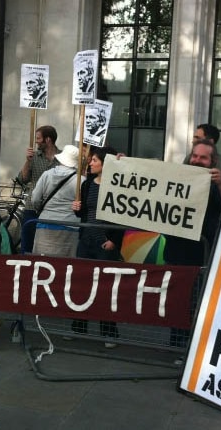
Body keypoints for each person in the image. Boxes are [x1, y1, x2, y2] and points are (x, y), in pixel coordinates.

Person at [164, 139, 221, 349]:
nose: (197, 160)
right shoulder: (177, 177)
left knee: (194, 305)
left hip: (200, 257)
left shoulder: (217, 185)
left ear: (212, 161)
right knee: (175, 302)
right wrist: (124, 164)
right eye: (195, 156)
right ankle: (176, 344)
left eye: (203, 157)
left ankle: (190, 349)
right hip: (174, 253)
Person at [72, 146, 123, 348]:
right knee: (82, 284)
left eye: (94, 160)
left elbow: (121, 214)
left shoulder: (116, 186)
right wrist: (77, 209)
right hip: (86, 241)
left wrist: (115, 240)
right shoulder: (87, 185)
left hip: (105, 243)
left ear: (105, 163)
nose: (90, 163)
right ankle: (79, 327)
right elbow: (84, 212)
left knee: (105, 287)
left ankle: (109, 332)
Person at [30, 145, 82, 257]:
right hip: (70, 224)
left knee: (42, 260)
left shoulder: (46, 175)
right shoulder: (81, 180)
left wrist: (38, 209)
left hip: (46, 221)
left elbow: (35, 199)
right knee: (65, 263)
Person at [17, 125, 60, 253]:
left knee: (50, 245)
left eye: (38, 138)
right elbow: (22, 179)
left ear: (48, 140)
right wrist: (27, 161)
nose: (36, 141)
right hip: (33, 207)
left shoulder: (62, 158)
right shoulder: (34, 157)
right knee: (28, 244)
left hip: (53, 208)